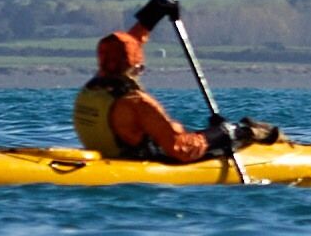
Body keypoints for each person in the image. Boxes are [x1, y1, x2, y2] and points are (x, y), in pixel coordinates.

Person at [74, 24, 216, 163]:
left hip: (103, 157)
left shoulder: (92, 88)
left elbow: (124, 46)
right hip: (134, 165)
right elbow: (181, 149)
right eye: (141, 68)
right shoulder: (137, 102)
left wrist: (152, 14)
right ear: (135, 68)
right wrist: (217, 134)